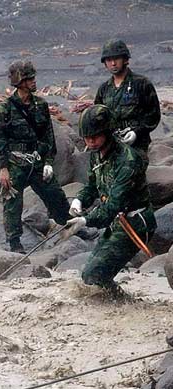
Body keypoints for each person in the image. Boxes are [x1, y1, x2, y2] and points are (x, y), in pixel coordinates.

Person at [61, 105, 156, 296]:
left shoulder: (128, 160)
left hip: (136, 224)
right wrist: (79, 201)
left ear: (107, 132)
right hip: (118, 222)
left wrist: (85, 220)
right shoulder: (97, 155)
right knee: (89, 275)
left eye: (95, 136)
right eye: (87, 137)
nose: (91, 141)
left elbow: (113, 205)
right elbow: (92, 186)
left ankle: (123, 304)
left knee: (94, 275)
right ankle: (121, 301)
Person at [0, 60, 70, 253]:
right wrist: (3, 169)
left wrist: (48, 162)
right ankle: (14, 242)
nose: (34, 81)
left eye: (33, 77)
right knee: (12, 202)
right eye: (29, 78)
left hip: (36, 161)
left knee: (55, 194)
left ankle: (69, 226)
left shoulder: (41, 105)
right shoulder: (5, 108)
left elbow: (48, 137)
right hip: (14, 162)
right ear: (20, 82)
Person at [95, 39, 161, 168]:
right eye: (109, 60)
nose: (113, 63)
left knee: (131, 171)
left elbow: (153, 115)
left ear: (125, 59)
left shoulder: (142, 84)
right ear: (105, 63)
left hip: (137, 144)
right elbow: (98, 117)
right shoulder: (104, 89)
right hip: (111, 144)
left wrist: (136, 132)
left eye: (116, 59)